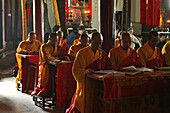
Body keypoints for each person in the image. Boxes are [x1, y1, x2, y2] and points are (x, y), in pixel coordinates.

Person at [66, 32, 112, 113]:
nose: (98, 46)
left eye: (100, 43)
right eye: (96, 43)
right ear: (90, 41)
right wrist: (86, 72)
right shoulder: (82, 53)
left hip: (98, 84)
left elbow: (109, 67)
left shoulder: (102, 54)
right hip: (86, 84)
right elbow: (75, 70)